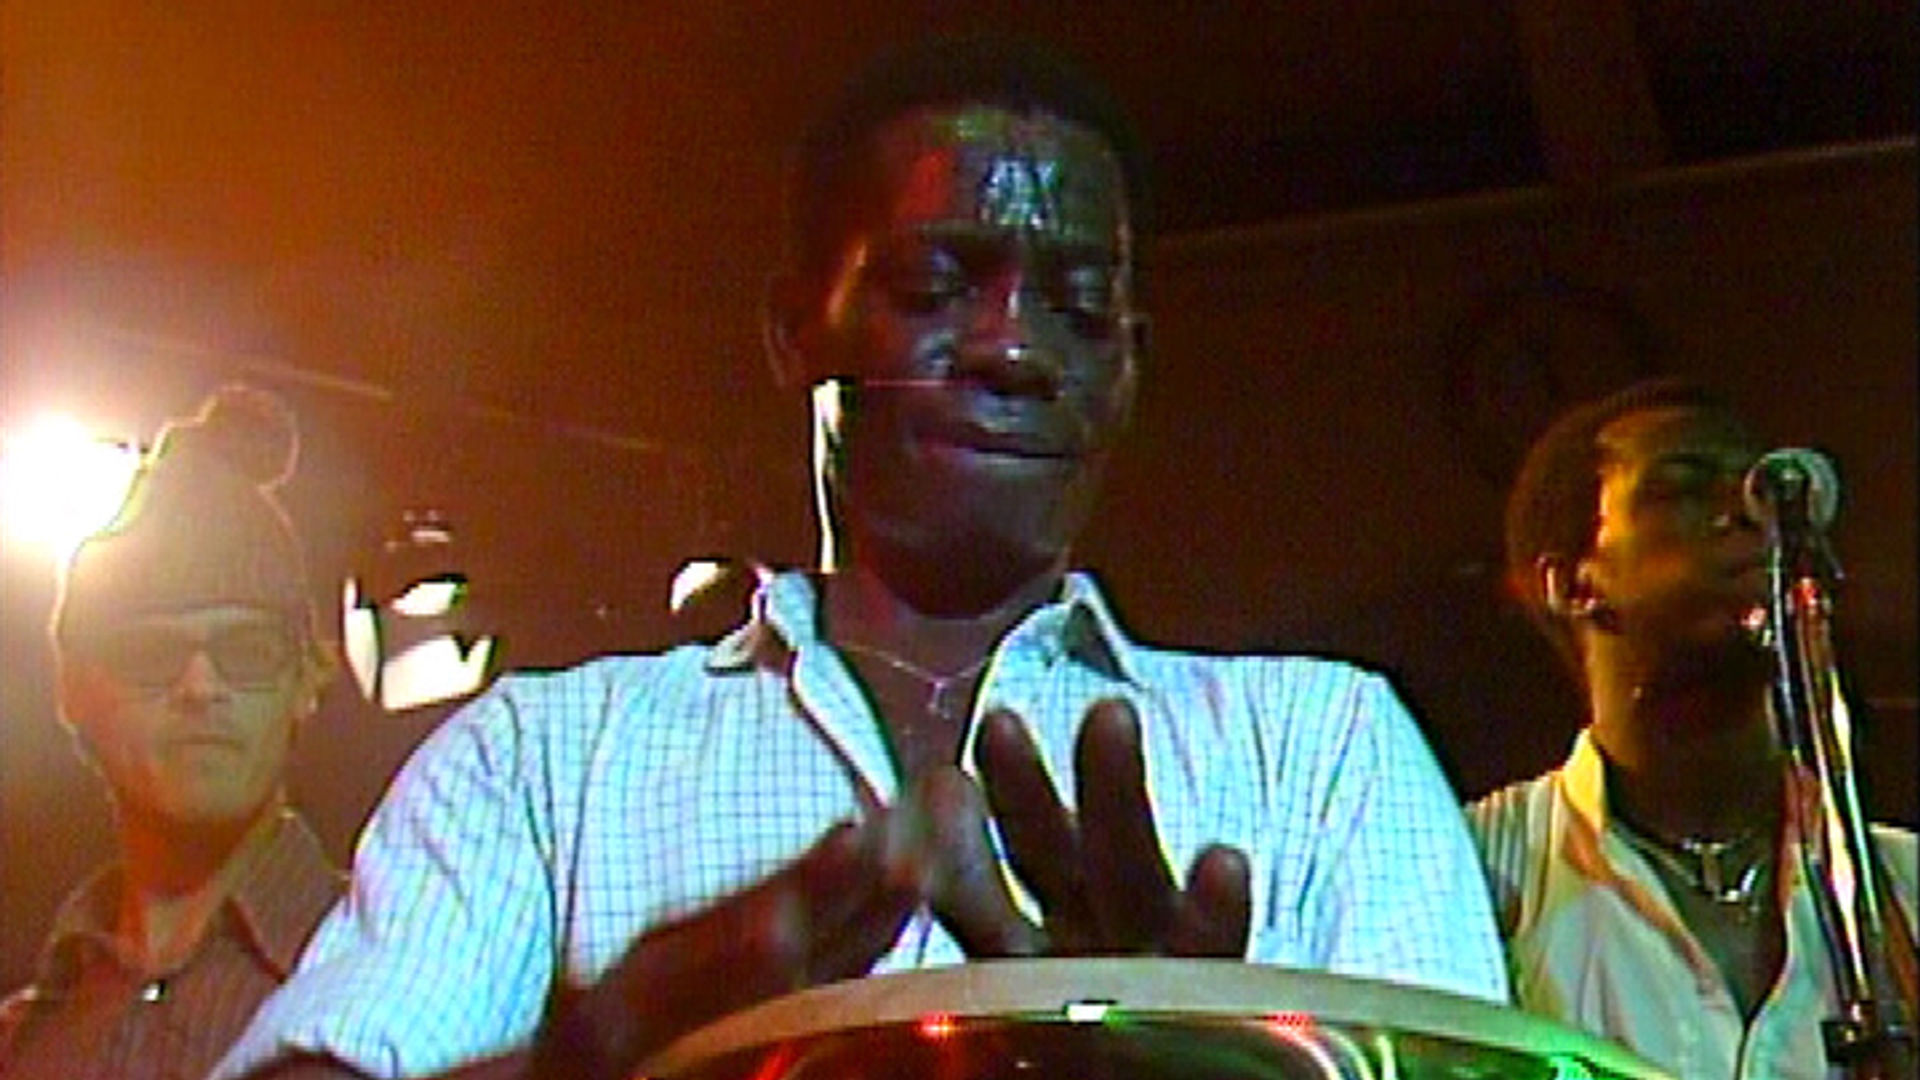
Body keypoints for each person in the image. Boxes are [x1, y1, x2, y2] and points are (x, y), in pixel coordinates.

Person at [214, 37, 1509, 1080]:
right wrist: (584, 1063)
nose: (1013, 349)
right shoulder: (543, 765)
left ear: (1127, 368)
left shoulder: (1323, 753)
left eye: (1075, 308)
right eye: (938, 286)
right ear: (794, 329)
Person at [1468, 377, 1918, 1078]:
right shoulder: (1480, 875)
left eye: (1759, 488)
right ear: (1575, 584)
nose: (1750, 513)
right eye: (1683, 487)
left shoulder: (1904, 888)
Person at [0, 386, 343, 1078]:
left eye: (247, 651)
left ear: (307, 676)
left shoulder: (419, 974)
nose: (200, 687)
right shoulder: (22, 1039)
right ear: (74, 689)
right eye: (151, 655)